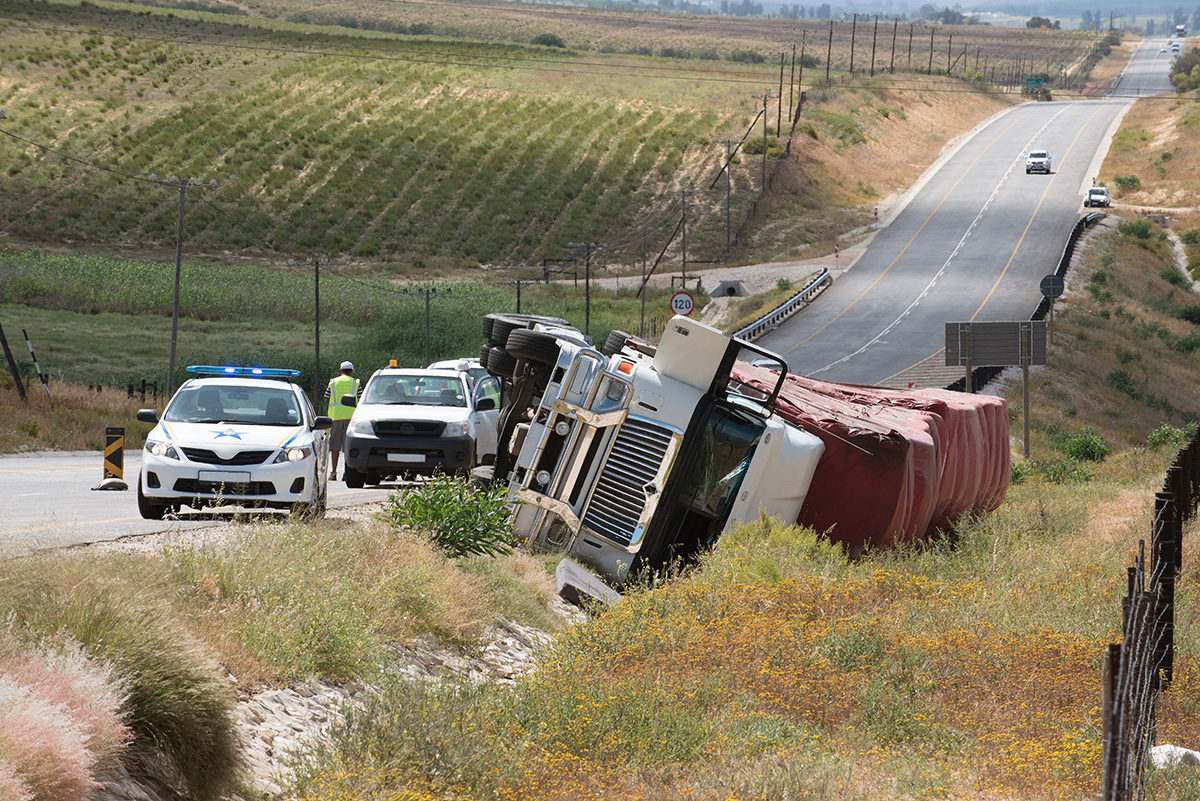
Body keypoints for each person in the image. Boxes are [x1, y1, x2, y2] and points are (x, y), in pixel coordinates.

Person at [324, 361, 360, 481]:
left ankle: (333, 473)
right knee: (347, 447)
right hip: (351, 419)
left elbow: (326, 399)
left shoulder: (333, 382)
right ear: (351, 371)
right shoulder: (356, 383)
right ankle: (347, 472)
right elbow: (360, 399)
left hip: (335, 418)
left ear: (341, 371)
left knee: (335, 447)